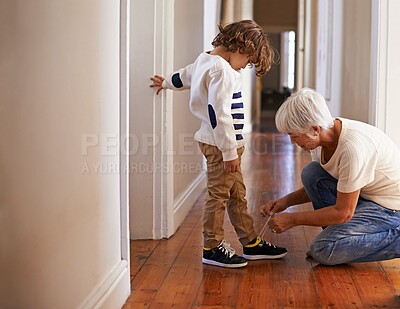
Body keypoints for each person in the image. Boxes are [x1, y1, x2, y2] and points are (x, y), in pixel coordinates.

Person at [150, 20, 287, 268]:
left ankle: (250, 243)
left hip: (221, 144)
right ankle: (211, 247)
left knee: (237, 195)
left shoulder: (205, 60)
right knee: (219, 195)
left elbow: (184, 76)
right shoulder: (222, 71)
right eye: (248, 60)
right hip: (222, 146)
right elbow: (218, 113)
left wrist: (166, 82)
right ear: (240, 47)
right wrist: (229, 152)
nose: (246, 66)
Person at [260, 88, 400, 265]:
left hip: (391, 209)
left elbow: (343, 212)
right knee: (312, 173)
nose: (292, 142)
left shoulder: (352, 148)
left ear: (314, 130)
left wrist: (292, 219)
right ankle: (340, 240)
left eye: (294, 136)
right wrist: (285, 202)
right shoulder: (321, 141)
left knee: (322, 250)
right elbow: (322, 184)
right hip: (364, 197)